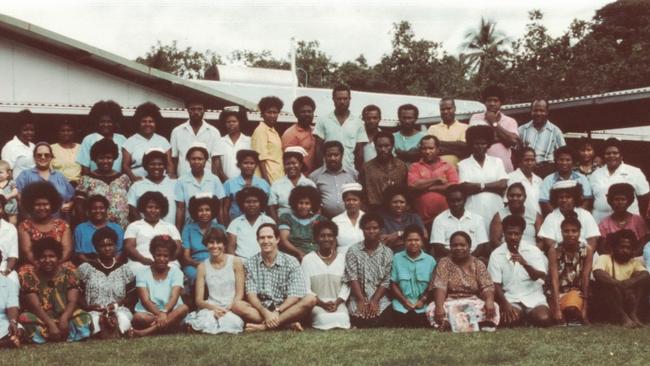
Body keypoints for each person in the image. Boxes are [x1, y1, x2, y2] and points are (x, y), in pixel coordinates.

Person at [232, 224, 316, 332]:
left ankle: (265, 326)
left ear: (277, 239)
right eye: (262, 238)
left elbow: (294, 296)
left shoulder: (291, 261)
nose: (266, 241)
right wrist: (265, 312)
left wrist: (277, 311)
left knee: (310, 299)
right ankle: (286, 324)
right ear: (257, 240)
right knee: (237, 306)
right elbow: (251, 295)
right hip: (262, 309)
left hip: (286, 308)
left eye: (269, 237)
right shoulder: (250, 263)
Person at [18, 238, 92, 343]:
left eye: (51, 256)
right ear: (37, 259)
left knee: (83, 315)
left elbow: (72, 301)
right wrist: (51, 324)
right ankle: (64, 335)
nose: (47, 260)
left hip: (66, 317)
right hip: (42, 319)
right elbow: (35, 306)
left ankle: (49, 336)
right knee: (24, 318)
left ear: (58, 257)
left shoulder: (69, 272)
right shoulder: (29, 275)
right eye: (43, 257)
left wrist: (64, 319)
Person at [427, 231, 499, 331]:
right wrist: (439, 307)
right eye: (454, 245)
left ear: (469, 247)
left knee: (494, 306)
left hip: (473, 302)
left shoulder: (478, 264)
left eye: (462, 245)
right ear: (450, 247)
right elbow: (440, 286)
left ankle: (452, 324)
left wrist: (489, 301)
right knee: (433, 308)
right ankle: (476, 324)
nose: (458, 248)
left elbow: (487, 286)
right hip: (450, 301)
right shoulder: (444, 263)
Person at [487, 215, 551, 327]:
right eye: (509, 233)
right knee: (510, 321)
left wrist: (525, 264)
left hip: (534, 296)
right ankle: (523, 317)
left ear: (522, 234)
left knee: (543, 319)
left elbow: (539, 276)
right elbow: (495, 284)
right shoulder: (496, 254)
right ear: (504, 233)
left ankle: (528, 316)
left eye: (516, 234)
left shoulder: (533, 250)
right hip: (511, 298)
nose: (513, 237)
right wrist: (504, 303)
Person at [185, 228, 245, 334]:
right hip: (211, 307)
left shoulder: (235, 261)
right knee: (204, 321)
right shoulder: (202, 266)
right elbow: (199, 300)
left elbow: (240, 293)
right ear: (206, 245)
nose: (215, 246)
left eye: (219, 242)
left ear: (224, 244)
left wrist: (228, 309)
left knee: (232, 323)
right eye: (211, 242)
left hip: (231, 306)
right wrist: (214, 309)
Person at [78, 227, 135, 338]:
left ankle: (114, 327)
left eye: (110, 245)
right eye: (103, 246)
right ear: (96, 248)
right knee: (92, 321)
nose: (107, 248)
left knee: (123, 319)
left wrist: (116, 305)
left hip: (118, 310)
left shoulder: (125, 269)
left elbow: (132, 296)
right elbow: (77, 295)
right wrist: (89, 307)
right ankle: (104, 327)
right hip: (94, 311)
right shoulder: (86, 269)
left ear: (116, 247)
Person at [131, 235, 189, 337]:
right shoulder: (142, 273)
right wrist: (160, 315)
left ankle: (146, 332)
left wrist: (164, 312)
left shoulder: (176, 272)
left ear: (170, 257)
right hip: (150, 313)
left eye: (165, 256)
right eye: (158, 255)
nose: (161, 259)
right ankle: (167, 326)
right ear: (153, 254)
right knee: (138, 317)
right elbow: (145, 301)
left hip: (170, 311)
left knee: (183, 308)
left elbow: (174, 297)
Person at [343, 213, 394, 327]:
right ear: (362, 229)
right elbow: (352, 277)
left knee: (382, 317)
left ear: (380, 229)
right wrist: (361, 300)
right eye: (368, 228)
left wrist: (375, 301)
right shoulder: (353, 251)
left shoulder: (387, 252)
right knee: (361, 318)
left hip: (379, 297)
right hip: (358, 296)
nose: (371, 231)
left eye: (375, 228)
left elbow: (386, 280)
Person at [592, 230, 650, 328]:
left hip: (628, 298)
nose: (625, 250)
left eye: (628, 248)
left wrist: (628, 284)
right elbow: (597, 273)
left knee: (642, 283)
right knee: (609, 286)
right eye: (622, 247)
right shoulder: (605, 258)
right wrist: (619, 285)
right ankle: (623, 317)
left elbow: (645, 274)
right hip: (608, 302)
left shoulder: (633, 262)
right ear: (613, 247)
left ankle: (633, 314)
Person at [301, 220, 351, 330]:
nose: (326, 239)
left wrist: (337, 302)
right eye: (322, 236)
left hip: (337, 302)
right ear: (316, 238)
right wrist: (321, 303)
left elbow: (346, 285)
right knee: (323, 319)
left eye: (330, 235)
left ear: (335, 238)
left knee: (342, 318)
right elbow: (305, 287)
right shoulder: (307, 259)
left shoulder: (343, 259)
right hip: (317, 303)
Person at [458, 125, 508, 233]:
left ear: (488, 144)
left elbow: (503, 184)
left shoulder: (497, 162)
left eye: (483, 143)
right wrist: (492, 186)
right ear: (471, 144)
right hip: (474, 208)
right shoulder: (463, 164)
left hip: (495, 207)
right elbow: (465, 188)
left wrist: (479, 186)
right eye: (476, 144)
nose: (480, 147)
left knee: (496, 236)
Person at [590, 138, 649, 223]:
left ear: (621, 155)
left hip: (629, 222)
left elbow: (645, 197)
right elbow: (591, 199)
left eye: (615, 153)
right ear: (603, 156)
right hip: (600, 221)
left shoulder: (635, 172)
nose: (611, 156)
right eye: (608, 153)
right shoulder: (595, 174)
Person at [75, 138, 131, 228]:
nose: (105, 161)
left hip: (122, 228)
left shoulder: (124, 179)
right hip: (96, 229)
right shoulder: (86, 179)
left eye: (109, 158)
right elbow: (79, 205)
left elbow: (131, 204)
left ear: (114, 158)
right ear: (95, 159)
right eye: (101, 158)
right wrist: (86, 226)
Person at [124, 192, 182, 275]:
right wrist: (143, 260)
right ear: (143, 208)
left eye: (157, 208)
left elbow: (178, 248)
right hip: (140, 263)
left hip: (168, 262)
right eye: (150, 207)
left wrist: (164, 261)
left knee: (174, 271)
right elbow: (129, 247)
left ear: (162, 209)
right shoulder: (134, 226)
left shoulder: (170, 227)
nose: (153, 210)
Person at [18, 181, 73, 269]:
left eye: (45, 204)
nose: (42, 208)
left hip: (58, 264)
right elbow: (27, 251)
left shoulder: (63, 225)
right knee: (25, 273)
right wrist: (41, 266)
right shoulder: (24, 226)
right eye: (38, 205)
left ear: (52, 205)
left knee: (70, 271)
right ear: (31, 206)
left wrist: (54, 265)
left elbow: (67, 250)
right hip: (35, 265)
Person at [314, 84, 368, 172]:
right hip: (327, 172)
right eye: (339, 99)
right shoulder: (323, 120)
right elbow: (318, 149)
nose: (342, 101)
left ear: (350, 99)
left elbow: (359, 152)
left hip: (349, 171)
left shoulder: (358, 122)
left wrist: (356, 172)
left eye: (345, 98)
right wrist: (322, 170)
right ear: (333, 99)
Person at [549, 217, 593, 326]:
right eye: (566, 231)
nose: (570, 234)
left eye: (574, 231)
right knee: (552, 315)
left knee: (572, 308)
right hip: (557, 293)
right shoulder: (554, 250)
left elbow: (586, 277)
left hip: (576, 292)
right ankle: (562, 312)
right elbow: (554, 279)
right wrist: (557, 308)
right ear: (561, 232)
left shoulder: (587, 249)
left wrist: (585, 309)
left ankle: (574, 312)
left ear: (579, 232)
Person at [408, 135, 458, 227]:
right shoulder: (414, 166)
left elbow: (453, 187)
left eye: (431, 148)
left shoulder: (448, 166)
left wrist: (427, 188)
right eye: (424, 149)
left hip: (446, 218)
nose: (427, 152)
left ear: (438, 149)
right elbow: (413, 185)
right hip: (422, 220)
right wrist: (436, 179)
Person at [390, 225, 436, 327]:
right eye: (409, 240)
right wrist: (404, 301)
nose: (413, 243)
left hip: (423, 305)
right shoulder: (396, 258)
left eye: (417, 240)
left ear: (422, 242)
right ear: (404, 242)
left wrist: (423, 300)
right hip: (401, 304)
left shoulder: (430, 260)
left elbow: (432, 285)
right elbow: (393, 284)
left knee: (422, 321)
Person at [468, 85, 520, 173]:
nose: (492, 103)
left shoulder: (510, 121)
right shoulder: (475, 118)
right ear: (484, 102)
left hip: (505, 168)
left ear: (501, 103)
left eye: (495, 100)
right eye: (489, 100)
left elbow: (513, 141)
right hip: (481, 168)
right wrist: (503, 138)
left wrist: (493, 122)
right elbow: (472, 141)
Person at [174, 142, 226, 229]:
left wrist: (223, 228)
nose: (196, 162)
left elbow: (220, 208)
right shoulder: (181, 181)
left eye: (200, 159)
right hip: (191, 225)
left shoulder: (214, 179)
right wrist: (178, 231)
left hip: (212, 227)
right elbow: (180, 209)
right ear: (188, 160)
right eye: (193, 159)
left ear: (205, 160)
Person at [16, 142, 75, 218]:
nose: (43, 157)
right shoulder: (25, 175)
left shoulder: (59, 176)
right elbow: (17, 195)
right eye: (39, 155)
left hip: (57, 222)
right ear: (34, 157)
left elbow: (73, 197)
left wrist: (69, 204)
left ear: (51, 157)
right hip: (32, 221)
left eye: (46, 155)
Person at [430, 185, 488, 260]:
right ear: (447, 201)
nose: (456, 204)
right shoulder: (439, 220)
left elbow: (482, 245)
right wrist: (457, 258)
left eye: (459, 200)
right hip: (449, 259)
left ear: (465, 200)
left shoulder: (477, 219)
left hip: (473, 258)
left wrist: (467, 258)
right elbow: (438, 246)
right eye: (452, 201)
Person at [538, 181, 600, 251]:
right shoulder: (551, 218)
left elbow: (592, 240)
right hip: (559, 256)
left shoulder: (585, 215)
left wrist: (583, 256)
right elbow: (549, 243)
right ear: (556, 199)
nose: (564, 200)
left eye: (568, 197)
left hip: (586, 256)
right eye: (561, 197)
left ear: (575, 198)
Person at [169, 98, 221, 177]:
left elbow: (215, 159)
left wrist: (214, 180)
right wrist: (173, 177)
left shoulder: (214, 132)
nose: (196, 112)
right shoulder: (177, 131)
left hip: (206, 180)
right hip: (183, 179)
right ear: (188, 110)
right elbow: (174, 158)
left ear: (204, 111)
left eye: (199, 109)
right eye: (192, 109)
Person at [121, 102, 173, 181]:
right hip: (137, 181)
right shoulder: (130, 142)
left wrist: (168, 179)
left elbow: (169, 164)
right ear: (138, 123)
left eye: (151, 121)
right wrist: (133, 179)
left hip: (160, 181)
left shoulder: (163, 141)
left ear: (156, 123)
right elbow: (125, 166)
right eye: (144, 121)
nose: (147, 124)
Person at [180, 194, 226, 284]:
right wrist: (200, 265)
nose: (204, 213)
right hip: (194, 265)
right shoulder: (188, 229)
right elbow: (186, 257)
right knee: (200, 278)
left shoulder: (220, 228)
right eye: (200, 210)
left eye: (207, 210)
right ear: (195, 212)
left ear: (212, 211)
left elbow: (224, 253)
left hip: (216, 263)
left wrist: (213, 265)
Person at [539, 146, 593, 216]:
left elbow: (587, 200)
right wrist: (558, 216)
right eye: (561, 160)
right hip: (556, 218)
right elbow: (544, 202)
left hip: (577, 218)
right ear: (556, 161)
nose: (564, 163)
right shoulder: (548, 180)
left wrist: (577, 216)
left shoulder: (582, 179)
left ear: (573, 162)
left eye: (568, 160)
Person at [359, 131, 408, 209]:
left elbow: (405, 190)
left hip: (396, 211)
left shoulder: (401, 166)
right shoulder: (367, 168)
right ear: (375, 146)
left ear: (392, 146)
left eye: (386, 146)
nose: (383, 149)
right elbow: (362, 193)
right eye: (379, 146)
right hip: (374, 210)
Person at [127, 148, 177, 225]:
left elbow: (181, 208)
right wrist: (144, 228)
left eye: (160, 164)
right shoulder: (137, 186)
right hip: (145, 232)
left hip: (170, 231)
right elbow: (132, 210)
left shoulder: (175, 184)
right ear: (146, 166)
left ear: (165, 166)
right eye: (152, 164)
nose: (156, 167)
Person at [309, 141, 358, 218]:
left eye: (336, 155)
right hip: (325, 221)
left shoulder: (353, 174)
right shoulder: (314, 176)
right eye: (329, 155)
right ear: (324, 156)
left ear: (342, 155)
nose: (333, 158)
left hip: (349, 220)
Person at [76, 100, 127, 175]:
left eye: (109, 122)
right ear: (96, 122)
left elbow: (125, 164)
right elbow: (85, 166)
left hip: (118, 182)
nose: (106, 124)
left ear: (114, 122)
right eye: (102, 122)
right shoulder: (89, 139)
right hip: (95, 181)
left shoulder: (122, 139)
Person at [518, 99, 566, 178]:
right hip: (525, 170)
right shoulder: (521, 130)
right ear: (531, 111)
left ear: (547, 112)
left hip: (547, 171)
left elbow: (563, 154)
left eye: (542, 110)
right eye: (535, 110)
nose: (538, 113)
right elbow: (515, 153)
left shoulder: (555, 131)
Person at [267, 147, 317, 222]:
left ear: (300, 165)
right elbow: (272, 207)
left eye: (294, 163)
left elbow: (317, 207)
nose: (291, 166)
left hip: (306, 222)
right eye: (287, 164)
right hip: (283, 222)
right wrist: (277, 223)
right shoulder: (277, 184)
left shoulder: (309, 184)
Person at [278, 186, 327, 260]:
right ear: (295, 203)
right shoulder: (286, 218)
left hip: (316, 257)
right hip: (292, 257)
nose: (303, 206)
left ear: (312, 205)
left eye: (307, 203)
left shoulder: (321, 219)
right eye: (300, 203)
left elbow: (325, 241)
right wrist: (299, 253)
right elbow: (283, 240)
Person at [222, 150, 271, 224]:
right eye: (245, 163)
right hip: (236, 223)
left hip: (260, 224)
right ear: (239, 165)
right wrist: (227, 226)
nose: (248, 166)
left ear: (256, 165)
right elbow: (225, 208)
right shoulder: (229, 184)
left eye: (252, 163)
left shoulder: (263, 184)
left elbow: (268, 207)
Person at [226, 187, 275, 259]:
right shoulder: (235, 223)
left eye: (255, 201)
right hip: (241, 261)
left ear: (261, 203)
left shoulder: (268, 221)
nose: (251, 205)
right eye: (248, 202)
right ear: (242, 204)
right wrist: (234, 264)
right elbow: (231, 247)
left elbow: (274, 245)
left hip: (264, 261)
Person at [74, 195, 125, 264]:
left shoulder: (116, 228)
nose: (98, 211)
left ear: (106, 210)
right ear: (88, 211)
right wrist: (92, 263)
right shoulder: (80, 229)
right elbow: (78, 253)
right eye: (94, 208)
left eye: (101, 208)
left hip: (112, 263)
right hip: (88, 264)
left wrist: (111, 265)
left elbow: (120, 251)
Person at [489, 183, 542, 247]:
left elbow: (541, 241)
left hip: (531, 253)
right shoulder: (499, 216)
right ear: (507, 197)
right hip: (507, 253)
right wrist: (510, 253)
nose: (515, 198)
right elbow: (495, 241)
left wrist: (532, 253)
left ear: (525, 197)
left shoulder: (535, 215)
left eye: (519, 196)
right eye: (511, 195)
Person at [380, 185, 427, 252]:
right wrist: (412, 238)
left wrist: (398, 234)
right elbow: (384, 241)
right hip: (393, 254)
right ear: (389, 203)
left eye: (402, 202)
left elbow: (424, 236)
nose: (398, 205)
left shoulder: (414, 217)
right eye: (395, 202)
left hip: (416, 252)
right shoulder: (382, 219)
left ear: (407, 204)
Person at [426, 97, 468, 168]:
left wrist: (438, 143)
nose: (445, 112)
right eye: (442, 109)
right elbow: (430, 152)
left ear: (454, 108)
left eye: (449, 108)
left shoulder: (465, 127)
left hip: (459, 172)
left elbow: (464, 148)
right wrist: (456, 150)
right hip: (437, 172)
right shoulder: (432, 129)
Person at [252, 96, 285, 184]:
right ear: (262, 114)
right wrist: (266, 182)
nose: (272, 115)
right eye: (269, 112)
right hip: (268, 179)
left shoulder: (274, 132)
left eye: (275, 112)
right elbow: (261, 159)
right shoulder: (260, 130)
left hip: (277, 177)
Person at [213, 110, 251, 182]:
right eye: (228, 122)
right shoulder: (219, 141)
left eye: (234, 121)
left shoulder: (249, 141)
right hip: (225, 183)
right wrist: (228, 182)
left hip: (245, 183)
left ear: (240, 123)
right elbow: (217, 168)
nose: (231, 124)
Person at [282, 96, 318, 173]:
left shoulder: (315, 131)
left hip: (314, 178)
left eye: (309, 111)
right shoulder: (290, 134)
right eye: (303, 112)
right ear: (296, 114)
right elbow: (288, 161)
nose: (307, 114)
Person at [1, 109, 36, 180]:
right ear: (18, 129)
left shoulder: (33, 146)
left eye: (32, 130)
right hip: (18, 188)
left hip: (34, 187)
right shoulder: (10, 147)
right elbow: (5, 173)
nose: (29, 133)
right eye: (25, 130)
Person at [507, 147, 542, 214]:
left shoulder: (539, 180)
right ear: (520, 161)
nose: (529, 163)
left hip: (537, 219)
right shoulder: (511, 177)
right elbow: (507, 202)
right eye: (526, 160)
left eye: (532, 160)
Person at [332, 183, 365, 250]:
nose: (351, 203)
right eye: (348, 200)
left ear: (360, 202)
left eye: (355, 200)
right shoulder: (335, 221)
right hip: (342, 257)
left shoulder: (368, 218)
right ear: (344, 201)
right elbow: (332, 246)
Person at [0, 249, 22, 348]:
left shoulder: (9, 284)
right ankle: (6, 343)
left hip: (1, 320)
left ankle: (8, 340)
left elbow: (12, 306)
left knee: (19, 330)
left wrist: (13, 322)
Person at [50, 121, 81, 185]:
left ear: (74, 132)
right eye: (63, 131)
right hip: (58, 184)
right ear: (58, 132)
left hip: (77, 185)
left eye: (69, 130)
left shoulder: (80, 148)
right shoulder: (51, 148)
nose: (66, 133)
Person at [0, 196, 18, 284]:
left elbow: (13, 255)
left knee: (12, 282)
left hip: (4, 268)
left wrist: (6, 271)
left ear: (3, 210)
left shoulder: (10, 229)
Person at [0, 160, 18, 225]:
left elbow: (15, 191)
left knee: (12, 218)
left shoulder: (11, 182)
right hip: (0, 205)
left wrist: (9, 195)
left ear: (8, 173)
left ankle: (12, 229)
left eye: (0, 172)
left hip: (10, 203)